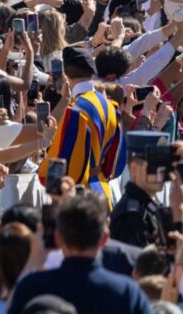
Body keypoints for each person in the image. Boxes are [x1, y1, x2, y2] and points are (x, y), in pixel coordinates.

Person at [3, 195, 167, 314]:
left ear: (58, 238)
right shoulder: (127, 292)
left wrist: (35, 257)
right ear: (104, 238)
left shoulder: (32, 286)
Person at [40, 47, 126, 204]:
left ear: (65, 74)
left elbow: (63, 166)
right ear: (92, 73)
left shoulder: (74, 111)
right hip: (103, 190)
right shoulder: (110, 106)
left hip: (80, 196)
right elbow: (117, 162)